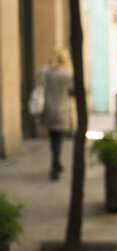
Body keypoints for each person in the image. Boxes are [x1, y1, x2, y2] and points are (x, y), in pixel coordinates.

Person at [40, 48, 74, 180]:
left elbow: (39, 87)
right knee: (58, 139)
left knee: (53, 138)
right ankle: (55, 164)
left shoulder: (45, 72)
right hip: (61, 110)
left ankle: (56, 162)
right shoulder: (67, 74)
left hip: (48, 109)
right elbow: (72, 91)